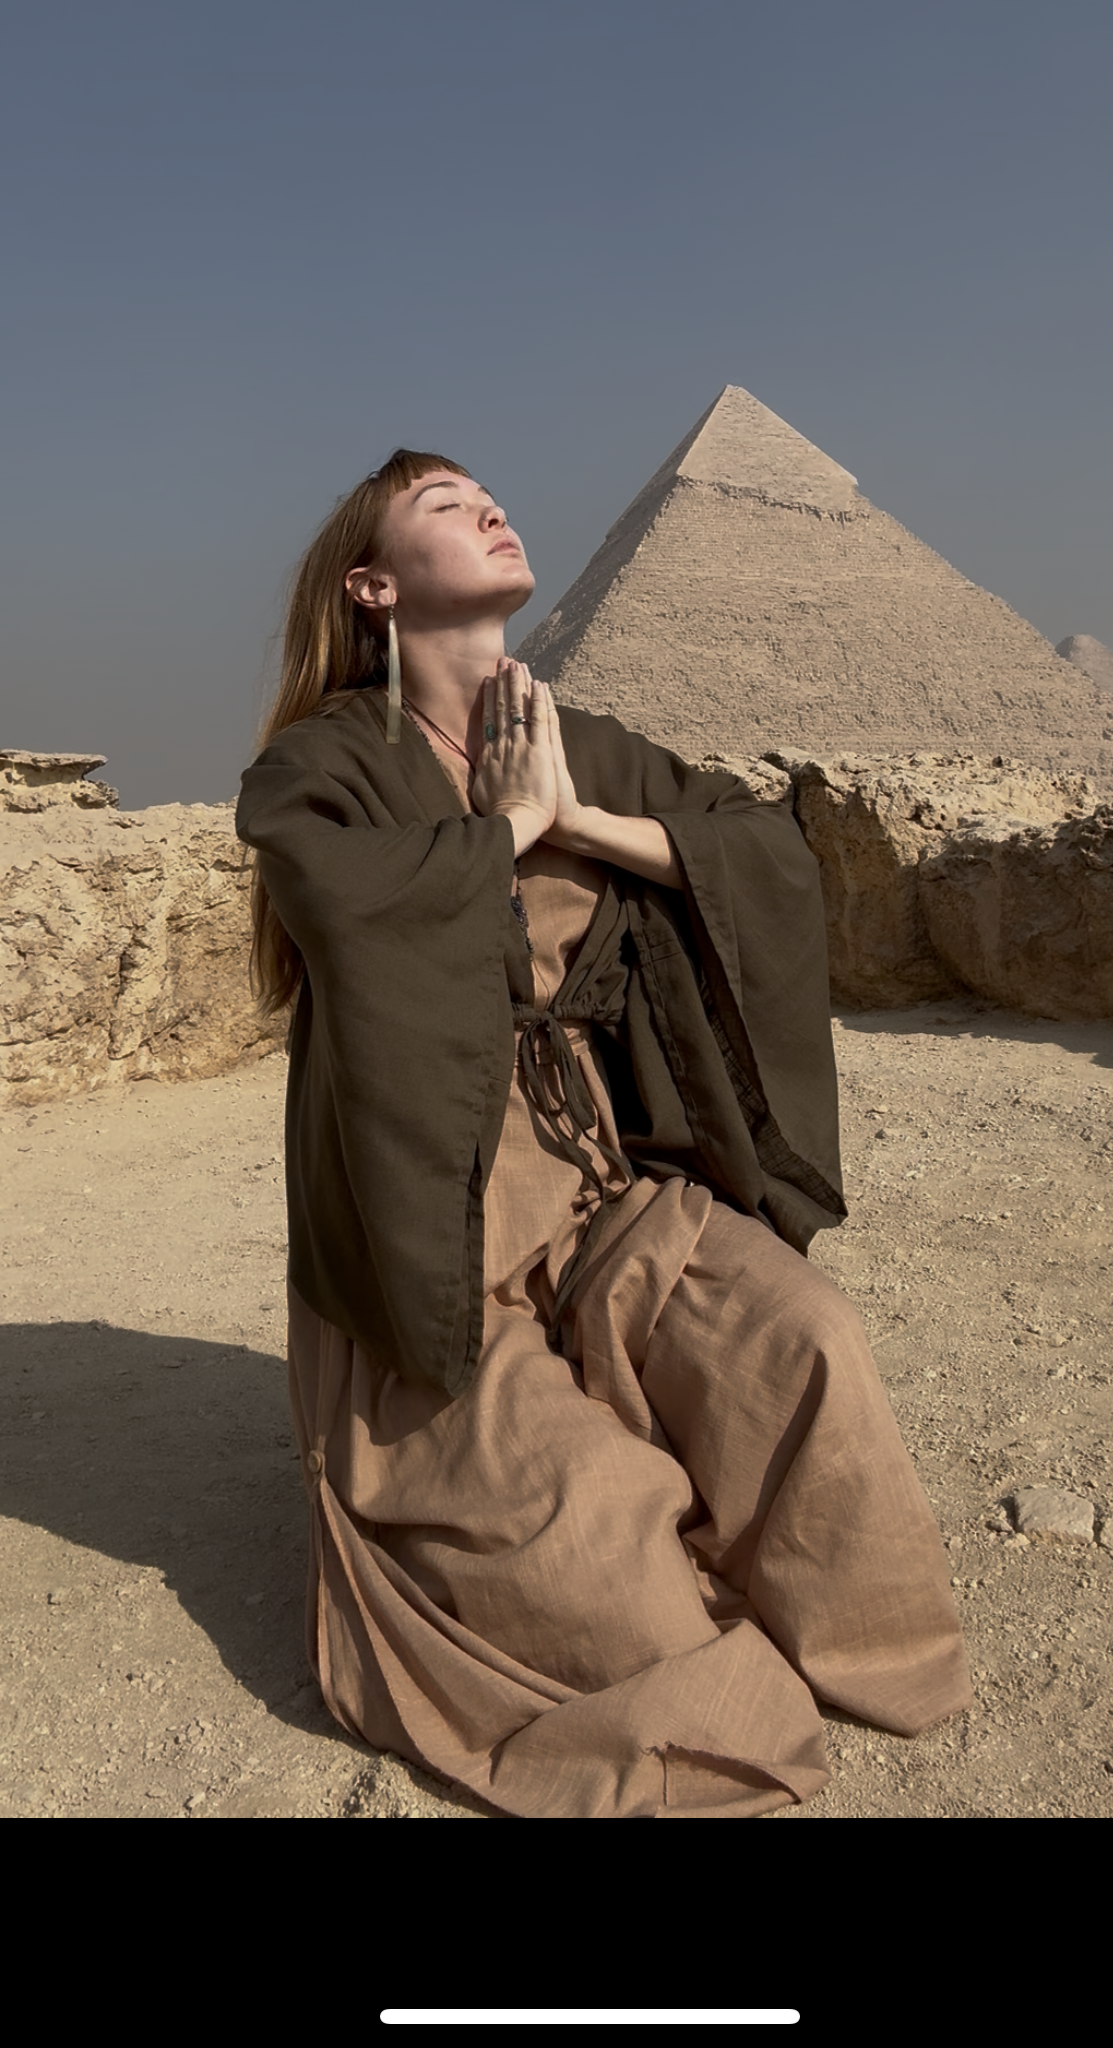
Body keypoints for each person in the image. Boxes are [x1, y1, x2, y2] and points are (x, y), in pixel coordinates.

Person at [236, 447, 972, 1819]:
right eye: (445, 505)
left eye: (488, 491)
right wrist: (501, 836)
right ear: (375, 585)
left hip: (595, 1180)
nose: (490, 506)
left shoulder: (587, 741)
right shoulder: (322, 764)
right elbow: (339, 905)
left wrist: (578, 815)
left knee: (800, 1336)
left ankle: (861, 1647)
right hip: (434, 1225)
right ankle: (648, 1577)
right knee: (595, 1545)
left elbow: (761, 857)